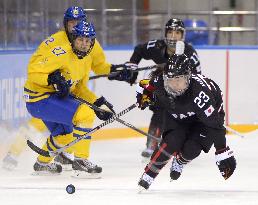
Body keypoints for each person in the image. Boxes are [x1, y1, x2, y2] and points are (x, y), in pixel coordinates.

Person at [3, 6, 135, 171]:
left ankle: (42, 163)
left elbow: (80, 87)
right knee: (83, 115)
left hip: (56, 97)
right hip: (40, 97)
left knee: (65, 135)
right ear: (67, 27)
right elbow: (34, 71)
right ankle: (80, 161)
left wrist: (97, 103)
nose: (83, 43)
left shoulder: (86, 53)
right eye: (72, 23)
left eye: (87, 41)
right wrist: (52, 79)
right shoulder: (60, 49)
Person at [136, 54, 236, 190]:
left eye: (179, 80)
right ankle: (149, 174)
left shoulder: (200, 95)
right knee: (171, 141)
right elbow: (146, 85)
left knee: (192, 150)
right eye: (171, 80)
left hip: (204, 121)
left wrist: (222, 151)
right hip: (179, 115)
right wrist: (143, 96)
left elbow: (215, 125)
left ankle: (180, 160)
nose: (174, 85)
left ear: (188, 78)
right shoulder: (160, 80)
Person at [128, 18, 201, 159]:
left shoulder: (190, 53)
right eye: (170, 32)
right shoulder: (157, 46)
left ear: (182, 35)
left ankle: (182, 141)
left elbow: (197, 78)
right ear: (165, 34)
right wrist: (133, 68)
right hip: (161, 85)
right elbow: (139, 50)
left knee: (181, 114)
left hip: (181, 89)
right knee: (160, 109)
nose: (173, 36)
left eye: (177, 33)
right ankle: (152, 145)